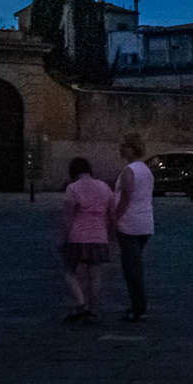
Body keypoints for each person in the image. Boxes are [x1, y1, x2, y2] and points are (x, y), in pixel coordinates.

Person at [59, 157, 114, 324]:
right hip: (99, 236)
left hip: (78, 236)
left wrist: (63, 238)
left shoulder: (72, 188)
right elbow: (111, 213)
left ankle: (80, 302)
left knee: (69, 271)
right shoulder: (104, 187)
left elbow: (68, 217)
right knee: (95, 275)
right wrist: (111, 234)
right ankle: (93, 311)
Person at [111, 133, 154, 323]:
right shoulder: (146, 170)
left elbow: (125, 198)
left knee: (131, 268)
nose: (121, 149)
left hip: (129, 224)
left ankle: (138, 307)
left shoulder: (129, 171)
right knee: (134, 265)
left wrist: (115, 218)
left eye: (124, 146)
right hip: (145, 223)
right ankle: (137, 305)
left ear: (131, 148)